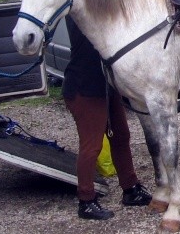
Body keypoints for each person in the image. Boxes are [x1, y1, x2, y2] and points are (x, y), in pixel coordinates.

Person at [62, 16, 153, 220]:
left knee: (121, 136)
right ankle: (86, 200)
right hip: (84, 87)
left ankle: (130, 189)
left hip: (105, 85)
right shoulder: (83, 16)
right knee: (91, 145)